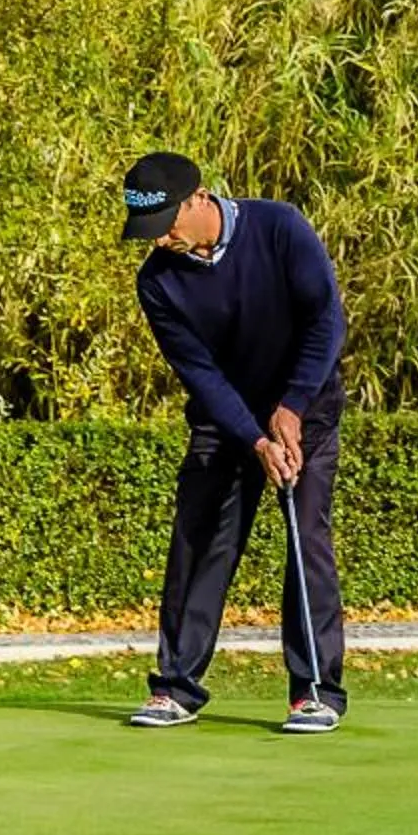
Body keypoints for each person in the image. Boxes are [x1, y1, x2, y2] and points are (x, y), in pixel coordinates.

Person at [117, 149, 348, 734]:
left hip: (307, 406)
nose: (160, 239)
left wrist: (292, 408)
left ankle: (315, 692)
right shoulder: (159, 284)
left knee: (305, 536)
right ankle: (176, 687)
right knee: (199, 541)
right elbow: (199, 372)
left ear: (198, 198)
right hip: (226, 421)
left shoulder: (279, 228)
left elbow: (326, 321)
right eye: (149, 230)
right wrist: (254, 438)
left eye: (166, 222)